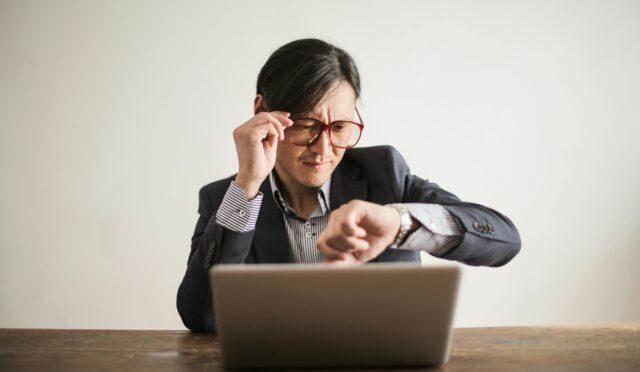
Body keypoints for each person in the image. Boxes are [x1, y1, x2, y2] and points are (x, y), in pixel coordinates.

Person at [177, 38, 521, 332]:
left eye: (340, 127)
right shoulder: (226, 199)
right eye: (306, 125)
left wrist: (399, 225)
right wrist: (248, 185)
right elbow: (201, 317)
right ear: (262, 113)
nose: (324, 149)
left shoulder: (383, 173)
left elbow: (503, 240)